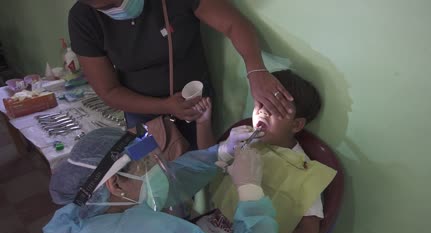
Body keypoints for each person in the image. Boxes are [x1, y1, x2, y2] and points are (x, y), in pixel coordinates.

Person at [32, 127, 287, 233]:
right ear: (116, 184)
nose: (153, 170)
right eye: (144, 165)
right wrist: (250, 190)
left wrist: (219, 153)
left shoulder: (76, 212)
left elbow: (173, 178)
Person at [69, 0, 294, 147]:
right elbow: (108, 91)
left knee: (200, 174)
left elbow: (233, 24)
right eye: (104, 7)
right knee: (153, 180)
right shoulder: (83, 18)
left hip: (196, 105)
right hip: (141, 110)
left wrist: (256, 70)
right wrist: (164, 106)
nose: (117, 8)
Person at [194, 70, 337, 233]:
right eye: (260, 103)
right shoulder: (245, 140)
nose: (262, 111)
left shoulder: (302, 171)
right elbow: (209, 164)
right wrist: (203, 123)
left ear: (296, 124)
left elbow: (309, 231)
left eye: (275, 108)